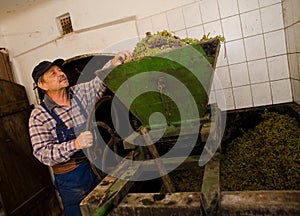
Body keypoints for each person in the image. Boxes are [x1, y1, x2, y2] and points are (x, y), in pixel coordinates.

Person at [28, 51, 131, 216]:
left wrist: (112, 63)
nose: (60, 74)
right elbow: (42, 153)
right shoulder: (39, 116)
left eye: (60, 70)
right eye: (53, 74)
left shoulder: (79, 93)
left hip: (97, 164)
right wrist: (74, 144)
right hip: (72, 179)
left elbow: (98, 82)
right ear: (42, 85)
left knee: (107, 208)